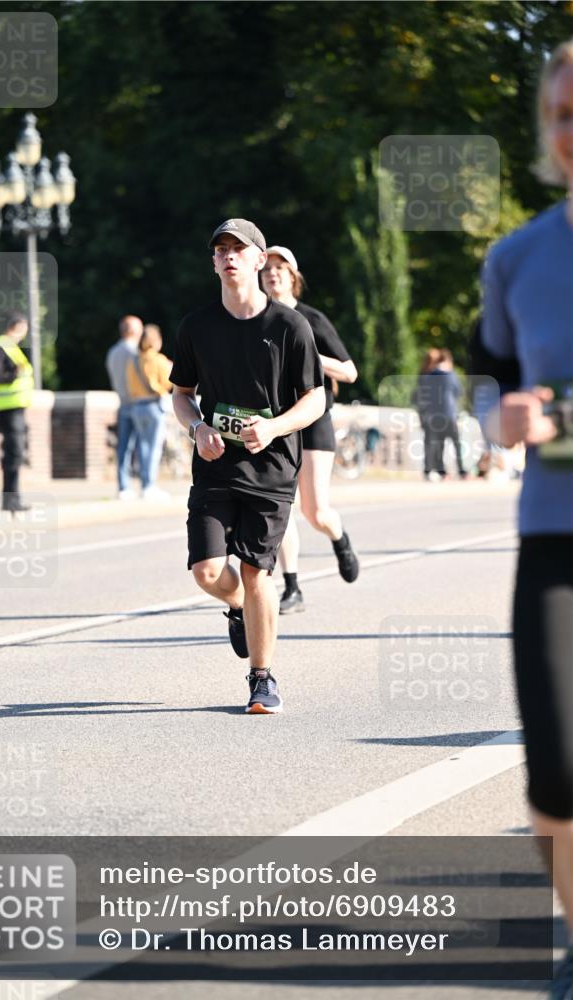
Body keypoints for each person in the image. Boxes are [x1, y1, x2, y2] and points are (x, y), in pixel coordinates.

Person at [477, 39, 573, 999]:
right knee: (555, 771)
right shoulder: (515, 257)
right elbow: (488, 381)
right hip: (553, 533)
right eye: (562, 114)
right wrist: (494, 419)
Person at [170, 219, 325, 713]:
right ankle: (236, 607)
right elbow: (180, 395)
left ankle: (262, 678)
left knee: (257, 571)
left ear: (260, 259)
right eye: (220, 249)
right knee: (206, 570)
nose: (228, 256)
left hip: (272, 469)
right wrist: (197, 428)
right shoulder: (197, 325)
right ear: (214, 262)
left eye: (239, 249)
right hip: (215, 466)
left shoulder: (289, 326)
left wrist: (276, 427)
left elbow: (315, 399)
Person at [260, 246, 360, 614]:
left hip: (314, 420)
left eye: (280, 268)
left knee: (315, 511)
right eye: (267, 268)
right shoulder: (257, 318)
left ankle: (339, 537)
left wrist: (307, 354)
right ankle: (292, 586)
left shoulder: (311, 319)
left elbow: (350, 372)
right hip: (276, 423)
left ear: (293, 277)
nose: (273, 274)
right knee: (281, 507)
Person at [0, 312, 33, 514]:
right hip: (9, 409)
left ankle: (12, 499)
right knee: (14, 455)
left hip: (15, 408)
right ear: (18, 326)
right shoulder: (2, 346)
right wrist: (15, 374)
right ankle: (10, 500)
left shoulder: (10, 347)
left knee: (15, 454)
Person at [126, 323, 173, 501]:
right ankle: (149, 485)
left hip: (137, 406)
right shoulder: (159, 360)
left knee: (142, 447)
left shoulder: (134, 360)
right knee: (154, 448)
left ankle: (143, 484)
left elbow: (129, 385)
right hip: (154, 406)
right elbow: (169, 383)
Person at [105, 314, 143, 499]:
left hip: (123, 404)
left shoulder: (113, 352)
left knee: (124, 448)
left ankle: (123, 486)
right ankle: (146, 485)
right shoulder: (135, 354)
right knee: (144, 446)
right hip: (139, 403)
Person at [415, 346, 466, 481]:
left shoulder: (425, 376)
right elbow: (458, 392)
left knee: (434, 444)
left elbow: (419, 396)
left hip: (430, 414)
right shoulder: (450, 374)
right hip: (449, 413)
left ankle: (436, 471)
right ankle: (461, 471)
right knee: (456, 444)